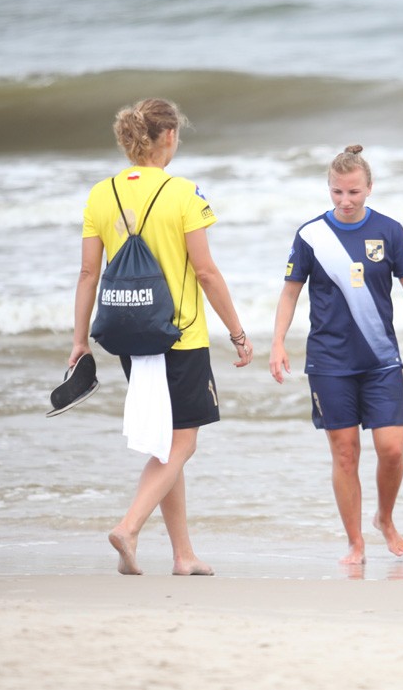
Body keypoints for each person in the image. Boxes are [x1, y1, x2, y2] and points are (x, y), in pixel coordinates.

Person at [71, 98, 254, 576]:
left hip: (130, 335)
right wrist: (237, 332)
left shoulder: (100, 194)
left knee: (164, 443)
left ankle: (183, 555)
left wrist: (80, 340)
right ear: (169, 136)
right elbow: (207, 272)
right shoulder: (184, 193)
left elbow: (89, 273)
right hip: (181, 336)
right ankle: (129, 526)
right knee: (182, 444)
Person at [270, 145, 403, 566]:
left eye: (354, 192)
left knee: (391, 449)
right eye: (337, 192)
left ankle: (385, 519)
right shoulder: (310, 235)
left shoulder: (390, 231)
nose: (345, 201)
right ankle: (355, 542)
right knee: (344, 453)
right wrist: (278, 343)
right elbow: (290, 293)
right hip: (330, 361)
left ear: (369, 188)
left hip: (381, 359)